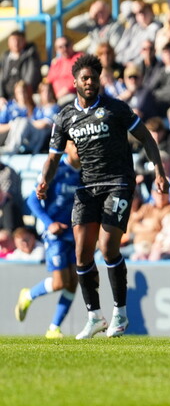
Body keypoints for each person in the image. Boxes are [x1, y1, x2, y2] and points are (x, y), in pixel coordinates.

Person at [37, 53, 168, 340]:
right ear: (75, 82)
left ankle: (120, 313)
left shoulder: (115, 108)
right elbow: (54, 157)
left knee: (108, 247)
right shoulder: (65, 117)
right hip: (87, 188)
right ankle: (95, 316)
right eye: (85, 78)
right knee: (82, 254)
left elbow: (146, 137)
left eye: (94, 78)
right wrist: (44, 180)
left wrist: (159, 172)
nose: (90, 82)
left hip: (118, 183)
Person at [15, 141, 81, 338]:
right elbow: (32, 200)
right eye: (74, 144)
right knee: (60, 282)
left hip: (76, 234)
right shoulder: (55, 170)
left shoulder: (86, 173)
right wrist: (49, 222)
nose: (78, 147)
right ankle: (28, 295)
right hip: (56, 235)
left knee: (73, 282)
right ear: (67, 147)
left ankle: (54, 328)